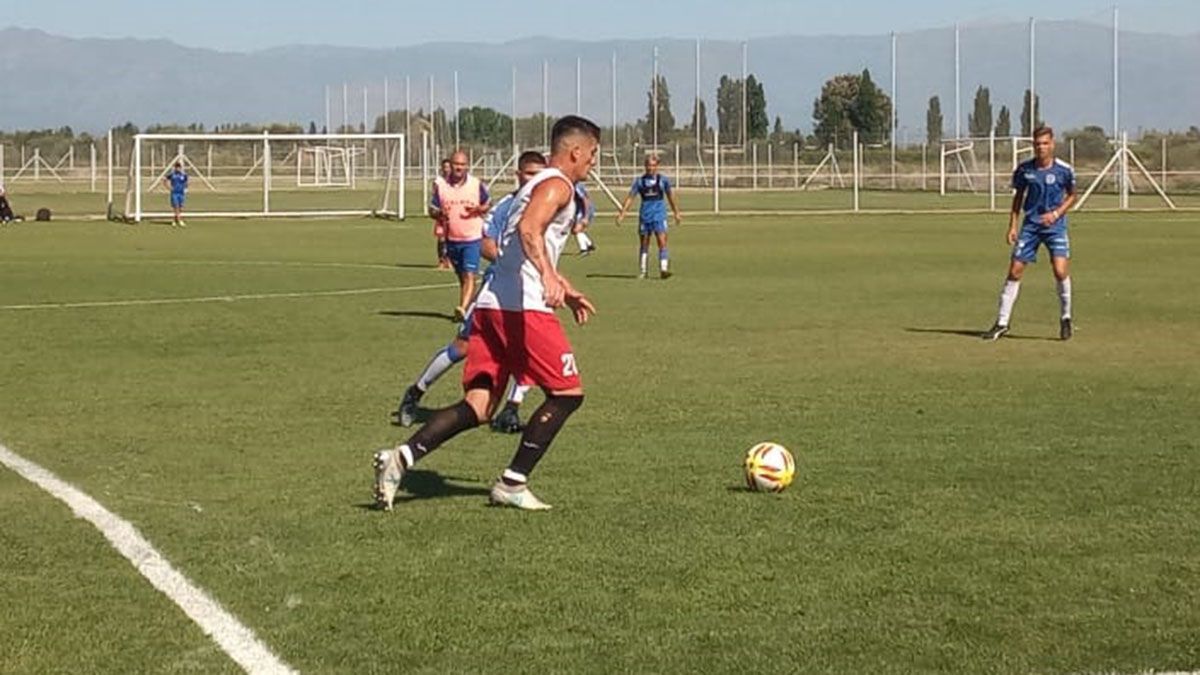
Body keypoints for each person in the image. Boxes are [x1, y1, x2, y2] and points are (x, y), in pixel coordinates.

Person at [373, 115, 600, 512]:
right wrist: (548, 276)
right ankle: (513, 481)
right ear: (575, 151)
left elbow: (517, 246)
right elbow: (530, 231)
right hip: (522, 307)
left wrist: (564, 284)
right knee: (567, 394)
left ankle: (401, 458)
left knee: (479, 406)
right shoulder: (556, 185)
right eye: (593, 153)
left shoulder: (531, 186)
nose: (594, 162)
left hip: (493, 303)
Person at [393, 151, 547, 429]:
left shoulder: (550, 205)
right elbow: (486, 243)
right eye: (529, 174)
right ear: (518, 175)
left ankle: (511, 410)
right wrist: (509, 261)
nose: (534, 180)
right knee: (463, 347)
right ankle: (414, 394)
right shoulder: (508, 205)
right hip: (497, 289)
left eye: (539, 175)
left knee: (530, 347)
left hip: (532, 291)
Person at [983, 126, 1077, 341]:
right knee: (1015, 271)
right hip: (1031, 226)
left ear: (1052, 144)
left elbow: (1072, 196)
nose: (1041, 147)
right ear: (1033, 145)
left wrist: (1056, 213)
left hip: (1055, 227)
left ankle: (1065, 318)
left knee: (1060, 271)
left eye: (1045, 143)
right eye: (1037, 144)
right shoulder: (1025, 170)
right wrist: (1013, 225)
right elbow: (1018, 198)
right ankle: (1002, 323)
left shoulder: (1064, 170)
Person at [430, 150, 490, 320]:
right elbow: (432, 209)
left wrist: (478, 209)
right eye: (456, 164)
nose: (459, 168)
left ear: (467, 166)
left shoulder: (475, 184)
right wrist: (440, 213)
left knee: (470, 274)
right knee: (461, 275)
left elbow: (487, 204)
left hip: (472, 237)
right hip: (452, 238)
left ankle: (462, 308)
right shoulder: (441, 186)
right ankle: (469, 307)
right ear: (451, 165)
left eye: (463, 165)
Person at [616, 155, 682, 279]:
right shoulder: (639, 182)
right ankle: (643, 270)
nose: (650, 168)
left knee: (662, 242)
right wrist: (622, 214)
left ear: (657, 166)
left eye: (653, 165)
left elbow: (670, 196)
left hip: (659, 216)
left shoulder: (663, 181)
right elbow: (631, 197)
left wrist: (676, 212)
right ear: (645, 166)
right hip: (645, 217)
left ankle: (663, 269)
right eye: (648, 165)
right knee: (644, 244)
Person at [432, 159, 453, 269]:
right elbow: (435, 195)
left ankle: (449, 260)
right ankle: (441, 260)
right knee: (441, 238)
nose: (446, 169)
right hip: (441, 213)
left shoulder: (454, 181)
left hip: (452, 213)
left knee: (451, 238)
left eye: (448, 167)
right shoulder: (438, 181)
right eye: (445, 167)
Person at [572, 182, 598, 256]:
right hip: (580, 209)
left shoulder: (576, 185)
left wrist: (586, 216)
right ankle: (589, 244)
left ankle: (584, 250)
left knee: (576, 230)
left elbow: (585, 200)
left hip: (584, 209)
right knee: (574, 230)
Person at [163, 162, 188, 227]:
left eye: (179, 167)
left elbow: (186, 182)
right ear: (175, 168)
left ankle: (174, 220)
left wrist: (185, 188)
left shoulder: (183, 175)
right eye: (176, 167)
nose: (178, 168)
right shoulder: (172, 175)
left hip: (181, 193)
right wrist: (169, 187)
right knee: (176, 207)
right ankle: (180, 221)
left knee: (180, 208)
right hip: (175, 193)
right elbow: (165, 180)